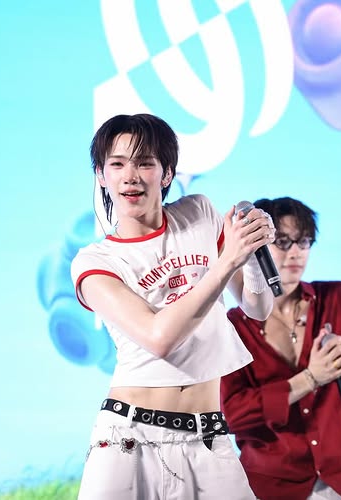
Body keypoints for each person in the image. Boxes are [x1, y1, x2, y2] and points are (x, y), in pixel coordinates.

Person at [70, 113, 275, 499]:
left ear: (167, 174)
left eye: (144, 163)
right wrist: (228, 260)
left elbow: (257, 308)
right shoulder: (95, 262)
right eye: (117, 164)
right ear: (101, 175)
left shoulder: (199, 213)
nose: (131, 177)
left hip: (208, 435)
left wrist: (249, 253)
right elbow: (159, 337)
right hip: (129, 437)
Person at [220, 197, 341, 500]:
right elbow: (232, 414)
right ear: (256, 245)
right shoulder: (233, 326)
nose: (296, 253)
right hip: (272, 484)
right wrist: (310, 378)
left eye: (304, 242)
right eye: (283, 242)